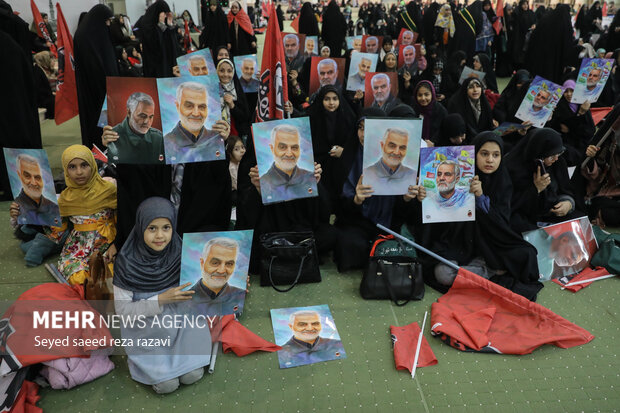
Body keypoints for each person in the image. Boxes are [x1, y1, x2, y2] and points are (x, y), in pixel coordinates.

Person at [113, 197, 211, 394]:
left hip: (182, 327)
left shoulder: (181, 251)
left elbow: (200, 290)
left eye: (166, 227)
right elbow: (123, 312)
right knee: (167, 385)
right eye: (152, 228)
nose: (160, 236)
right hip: (147, 332)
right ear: (140, 227)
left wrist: (229, 283)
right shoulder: (126, 263)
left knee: (192, 375)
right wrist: (160, 299)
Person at [336, 108, 426, 272]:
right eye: (361, 128)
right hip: (357, 222)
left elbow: (404, 215)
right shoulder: (349, 158)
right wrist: (356, 200)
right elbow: (339, 208)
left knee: (393, 248)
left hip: (388, 223)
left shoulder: (403, 165)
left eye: (370, 128)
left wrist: (406, 199)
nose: (364, 134)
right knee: (349, 245)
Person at [49, 145, 117, 285]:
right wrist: (29, 212)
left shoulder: (109, 190)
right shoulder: (64, 198)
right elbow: (56, 233)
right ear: (66, 171)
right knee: (79, 278)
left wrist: (117, 244)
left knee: (113, 273)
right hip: (78, 249)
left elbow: (123, 221)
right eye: (72, 167)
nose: (79, 172)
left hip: (108, 245)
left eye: (84, 165)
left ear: (92, 165)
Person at [505, 128, 583, 233]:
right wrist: (535, 189)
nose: (556, 158)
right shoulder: (513, 167)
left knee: (579, 222)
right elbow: (509, 204)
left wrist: (568, 203)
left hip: (550, 212)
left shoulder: (558, 162)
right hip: (523, 215)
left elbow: (566, 190)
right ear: (539, 153)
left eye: (559, 153)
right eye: (551, 156)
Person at [73, 4, 119, 149]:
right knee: (97, 129)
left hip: (103, 92)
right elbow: (97, 70)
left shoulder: (89, 35)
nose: (109, 24)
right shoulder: (88, 38)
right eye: (107, 21)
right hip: (97, 93)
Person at [307, 85, 356, 214]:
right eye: (327, 99)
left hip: (340, 163)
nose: (331, 103)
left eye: (335, 99)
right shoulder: (312, 116)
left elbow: (354, 143)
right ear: (321, 100)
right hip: (318, 163)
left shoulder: (348, 117)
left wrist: (343, 151)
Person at [164, 81, 229, 164]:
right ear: (177, 106)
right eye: (189, 106)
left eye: (202, 107)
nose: (196, 113)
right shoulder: (166, 144)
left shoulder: (216, 138)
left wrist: (225, 141)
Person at [101, 92, 165, 164]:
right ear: (129, 112)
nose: (147, 121)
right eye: (142, 116)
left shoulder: (159, 139)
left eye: (151, 117)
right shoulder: (111, 136)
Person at [258, 124, 316, 202]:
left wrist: (317, 184)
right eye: (282, 147)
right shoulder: (262, 183)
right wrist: (258, 190)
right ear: (272, 149)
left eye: (294, 147)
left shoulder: (310, 177)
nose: (289, 154)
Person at [190, 237, 245, 315]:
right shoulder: (183, 300)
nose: (221, 271)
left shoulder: (241, 295)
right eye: (215, 263)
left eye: (229, 264)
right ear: (202, 263)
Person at [547, 79, 594, 167]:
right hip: (566, 144)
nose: (569, 94)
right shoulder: (559, 107)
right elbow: (554, 127)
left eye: (572, 90)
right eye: (566, 91)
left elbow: (589, 129)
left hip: (581, 143)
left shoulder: (583, 105)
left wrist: (580, 113)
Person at [278, 310, 344, 366]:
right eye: (302, 324)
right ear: (291, 326)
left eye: (315, 324)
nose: (310, 328)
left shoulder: (338, 345)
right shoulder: (281, 354)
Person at [9, 154, 58, 226]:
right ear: (19, 176)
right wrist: (15, 219)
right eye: (27, 176)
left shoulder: (53, 206)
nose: (34, 183)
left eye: (37, 177)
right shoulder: (18, 208)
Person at [136, 1, 180, 78]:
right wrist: (161, 24)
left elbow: (170, 42)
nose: (165, 16)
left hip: (165, 63)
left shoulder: (162, 24)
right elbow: (157, 43)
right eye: (164, 14)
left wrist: (169, 24)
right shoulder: (148, 25)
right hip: (155, 66)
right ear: (158, 12)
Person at [447, 77, 495, 143]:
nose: (475, 90)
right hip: (464, 141)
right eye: (471, 87)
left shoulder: (484, 102)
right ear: (465, 90)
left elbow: (488, 125)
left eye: (478, 86)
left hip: (483, 139)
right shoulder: (456, 104)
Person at [226, 135, 245, 205]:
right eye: (236, 149)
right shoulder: (231, 167)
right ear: (229, 153)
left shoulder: (241, 163)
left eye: (242, 147)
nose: (242, 151)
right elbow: (238, 186)